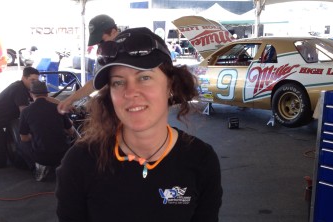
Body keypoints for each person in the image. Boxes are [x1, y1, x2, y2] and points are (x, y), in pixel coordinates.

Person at [55, 27, 222, 222]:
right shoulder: (79, 162)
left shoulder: (201, 160)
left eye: (144, 77)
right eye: (118, 82)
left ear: (170, 85)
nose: (130, 92)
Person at [0, 67, 58, 168]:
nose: (34, 83)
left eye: (36, 80)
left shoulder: (28, 88)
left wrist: (64, 103)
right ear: (24, 78)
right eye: (32, 80)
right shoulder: (19, 89)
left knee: (3, 156)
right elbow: (24, 113)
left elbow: (44, 97)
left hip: (1, 125)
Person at [57, 14, 119, 114]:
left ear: (113, 32)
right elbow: (96, 82)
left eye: (102, 41)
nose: (100, 45)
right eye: (98, 43)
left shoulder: (130, 50)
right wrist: (70, 100)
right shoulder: (104, 55)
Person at [19, 80, 76, 182]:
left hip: (42, 157)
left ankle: (36, 168)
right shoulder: (58, 108)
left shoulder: (25, 112)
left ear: (31, 94)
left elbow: (24, 138)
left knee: (22, 144)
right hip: (62, 155)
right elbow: (71, 132)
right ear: (47, 94)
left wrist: (35, 134)